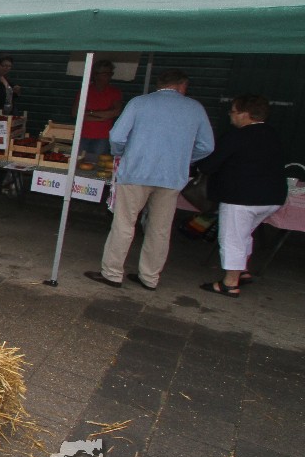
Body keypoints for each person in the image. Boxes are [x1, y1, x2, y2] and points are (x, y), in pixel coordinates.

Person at [85, 69, 215, 290]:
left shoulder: (139, 103)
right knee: (160, 229)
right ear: (182, 85)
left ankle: (112, 273)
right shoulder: (195, 108)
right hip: (171, 176)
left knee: (124, 223)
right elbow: (207, 146)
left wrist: (121, 153)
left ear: (159, 84)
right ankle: (150, 277)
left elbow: (117, 136)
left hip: (136, 171)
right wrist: (184, 159)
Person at [196, 95, 288, 298]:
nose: (230, 115)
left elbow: (209, 165)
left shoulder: (237, 136)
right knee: (244, 234)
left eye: (233, 111)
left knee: (232, 238)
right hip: (272, 198)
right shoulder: (272, 134)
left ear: (245, 114)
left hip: (242, 198)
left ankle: (230, 283)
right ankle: (243, 271)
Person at [80, 59, 123, 158]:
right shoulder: (86, 90)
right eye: (105, 74)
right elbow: (76, 113)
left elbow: (117, 112)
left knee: (98, 163)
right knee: (78, 162)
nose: (109, 76)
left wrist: (90, 113)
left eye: (110, 73)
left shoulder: (114, 92)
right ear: (96, 75)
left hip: (102, 136)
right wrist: (104, 116)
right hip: (83, 135)